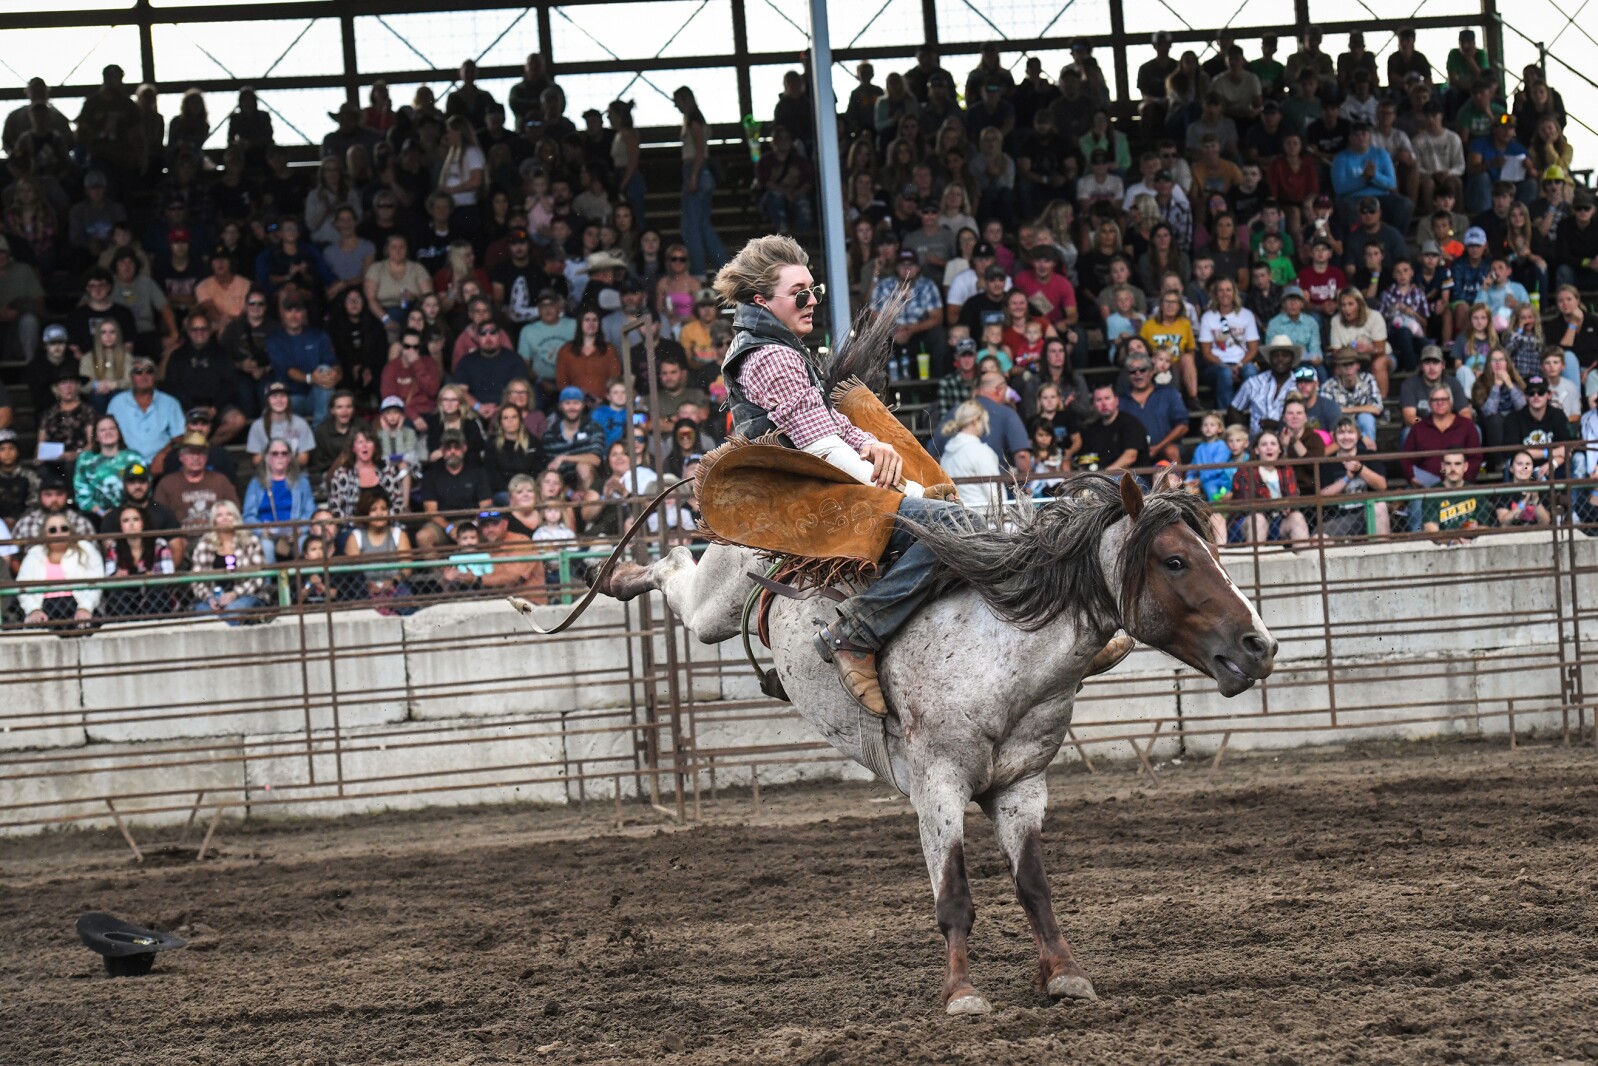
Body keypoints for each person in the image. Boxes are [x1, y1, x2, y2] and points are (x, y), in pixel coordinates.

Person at [16, 514, 103, 631]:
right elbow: (23, 586)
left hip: (78, 604)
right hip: (43, 608)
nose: (59, 533)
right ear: (45, 534)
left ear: (70, 532)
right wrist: (33, 610)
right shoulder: (34, 554)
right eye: (53, 530)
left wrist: (85, 608)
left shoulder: (86, 549)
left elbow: (96, 582)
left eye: (64, 529)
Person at [188, 499, 267, 623]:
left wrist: (234, 594)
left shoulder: (250, 541)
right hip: (213, 597)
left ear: (236, 517)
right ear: (214, 521)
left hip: (246, 595)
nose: (225, 518)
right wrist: (209, 598)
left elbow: (258, 578)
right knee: (205, 614)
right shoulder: (204, 544)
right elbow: (196, 580)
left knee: (232, 611)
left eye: (229, 514)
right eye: (219, 515)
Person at [242, 441, 317, 563]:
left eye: (284, 453)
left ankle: (307, 580)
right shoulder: (256, 484)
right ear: (267, 458)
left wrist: (300, 530)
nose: (280, 457)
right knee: (266, 546)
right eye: (275, 453)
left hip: (294, 530)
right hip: (267, 532)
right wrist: (262, 531)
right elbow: (248, 515)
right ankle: (268, 582)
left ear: (290, 458)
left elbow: (310, 510)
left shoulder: (302, 482)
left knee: (305, 543)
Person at [1231, 430, 1309, 546]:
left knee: (1297, 517)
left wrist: (1288, 505)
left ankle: (1304, 559)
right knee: (1258, 520)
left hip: (1277, 521)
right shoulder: (1245, 471)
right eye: (1264, 444)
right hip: (1247, 523)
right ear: (1257, 450)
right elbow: (1245, 504)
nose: (1269, 448)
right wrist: (1275, 505)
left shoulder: (1285, 470)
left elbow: (1292, 497)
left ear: (1279, 449)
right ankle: (1256, 563)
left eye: (1273, 444)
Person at [101, 504, 176, 619]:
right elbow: (108, 578)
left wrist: (153, 577)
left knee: (156, 591)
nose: (131, 524)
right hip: (127, 597)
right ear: (120, 526)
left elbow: (169, 575)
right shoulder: (114, 548)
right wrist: (117, 576)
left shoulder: (159, 545)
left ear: (143, 523)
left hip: (154, 598)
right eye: (126, 520)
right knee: (117, 594)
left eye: (136, 519)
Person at [107, 355, 186, 463]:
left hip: (162, 463)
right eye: (138, 372)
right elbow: (108, 434)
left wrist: (162, 456)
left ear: (155, 376)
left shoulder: (170, 403)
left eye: (149, 371)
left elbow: (179, 436)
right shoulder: (117, 402)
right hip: (125, 462)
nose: (144, 376)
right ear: (131, 377)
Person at [155, 431, 239, 529]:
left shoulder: (221, 481)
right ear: (181, 457)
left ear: (206, 458)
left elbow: (234, 510)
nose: (196, 458)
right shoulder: (167, 483)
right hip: (180, 538)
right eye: (190, 453)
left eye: (200, 454)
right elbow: (158, 515)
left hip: (215, 537)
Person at [74, 415, 146, 516]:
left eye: (112, 428)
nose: (108, 432)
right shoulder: (85, 460)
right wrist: (101, 513)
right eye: (102, 430)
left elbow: (145, 488)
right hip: (96, 515)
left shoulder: (134, 458)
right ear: (96, 436)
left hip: (132, 514)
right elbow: (82, 495)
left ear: (119, 433)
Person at [1420, 452, 1488, 545]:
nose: (1453, 469)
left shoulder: (1476, 492)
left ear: (1465, 466)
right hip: (1443, 549)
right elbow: (1431, 531)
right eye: (1448, 464)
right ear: (1442, 466)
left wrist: (1474, 530)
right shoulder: (1432, 494)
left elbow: (1486, 528)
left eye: (1457, 464)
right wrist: (1453, 541)